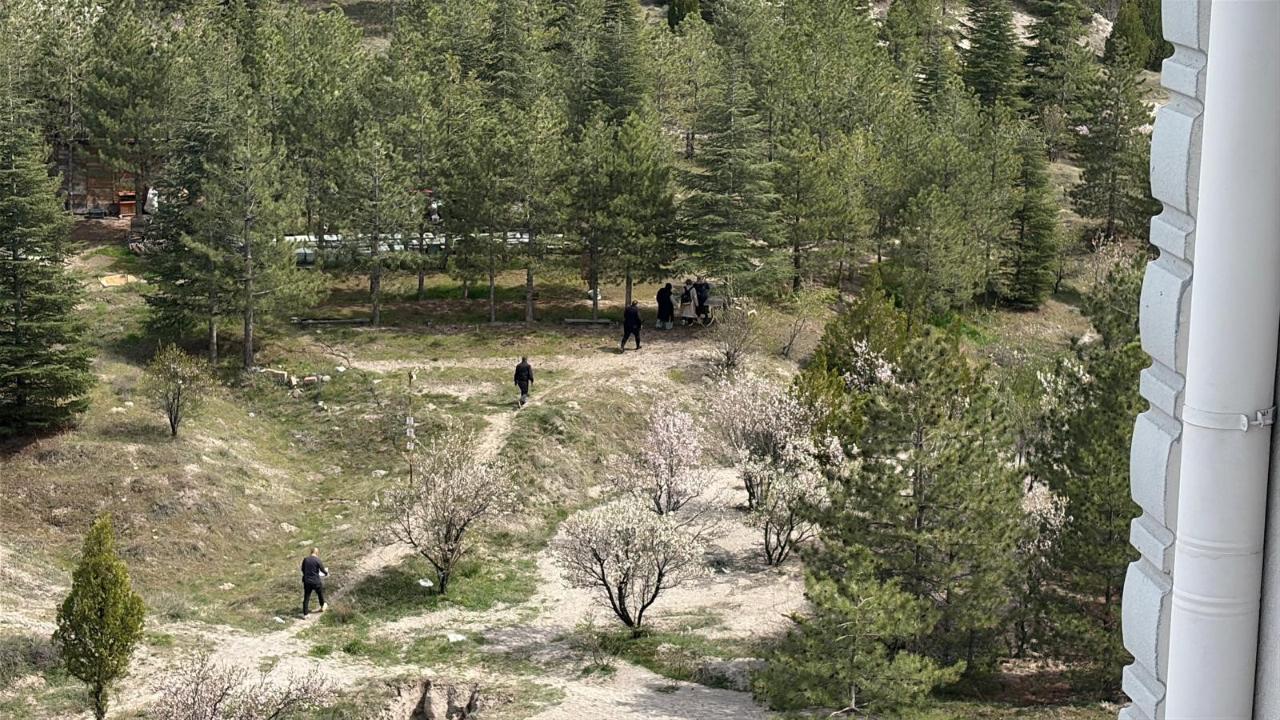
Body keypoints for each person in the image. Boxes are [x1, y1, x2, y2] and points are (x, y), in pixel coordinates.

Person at [301, 547, 328, 616]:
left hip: (307, 581)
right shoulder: (317, 560)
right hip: (316, 581)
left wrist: (306, 574)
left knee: (306, 597)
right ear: (317, 552)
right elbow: (322, 569)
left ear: (311, 552)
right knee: (320, 593)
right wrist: (326, 573)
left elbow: (302, 569)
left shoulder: (305, 559)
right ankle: (322, 606)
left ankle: (305, 613)